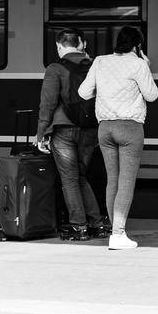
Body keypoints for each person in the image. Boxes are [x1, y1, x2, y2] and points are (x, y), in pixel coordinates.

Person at [78, 25, 158, 251]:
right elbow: (152, 95)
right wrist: (146, 66)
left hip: (105, 129)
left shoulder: (100, 61)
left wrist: (104, 90)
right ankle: (118, 233)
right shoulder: (139, 63)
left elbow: (84, 92)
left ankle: (116, 233)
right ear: (137, 45)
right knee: (126, 181)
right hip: (130, 128)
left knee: (112, 179)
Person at [34, 28, 108, 241]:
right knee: (80, 176)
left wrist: (41, 134)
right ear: (82, 44)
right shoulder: (96, 65)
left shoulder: (55, 68)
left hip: (63, 130)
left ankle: (79, 226)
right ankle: (97, 223)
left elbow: (47, 104)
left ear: (59, 47)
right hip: (90, 129)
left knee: (69, 180)